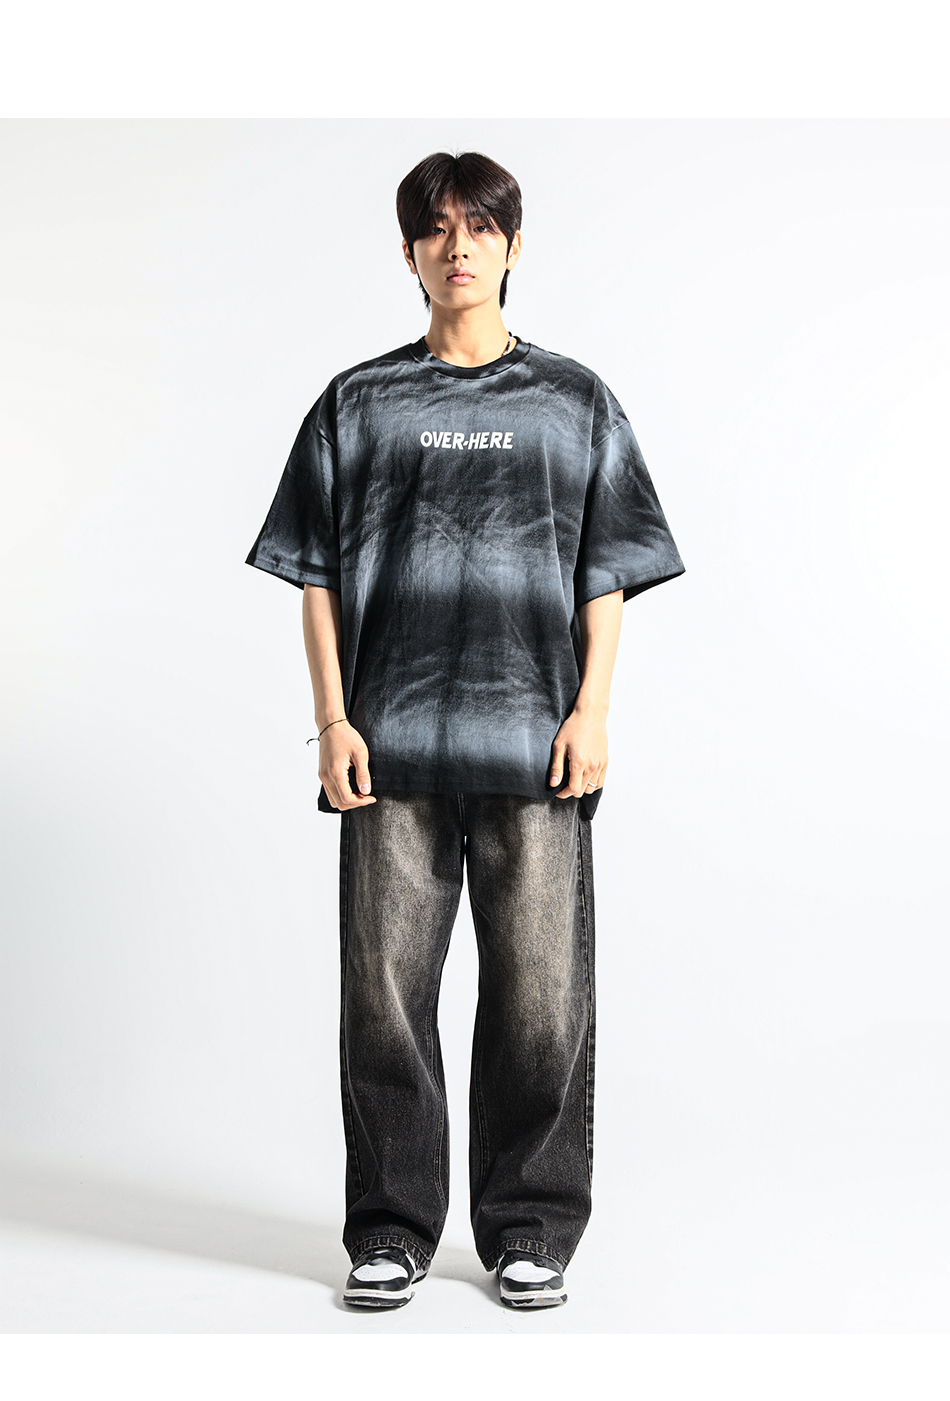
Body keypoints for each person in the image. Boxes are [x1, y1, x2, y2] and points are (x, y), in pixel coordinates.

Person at [245, 150, 685, 1311]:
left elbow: (604, 571)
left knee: (540, 1000)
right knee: (384, 1000)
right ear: (407, 252)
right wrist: (331, 720)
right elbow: (316, 574)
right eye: (435, 229)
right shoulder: (357, 404)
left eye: (479, 227)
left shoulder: (572, 402)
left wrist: (591, 710)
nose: (458, 247)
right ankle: (390, 1228)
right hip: (387, 748)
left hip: (533, 748)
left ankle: (528, 1226)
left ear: (512, 246)